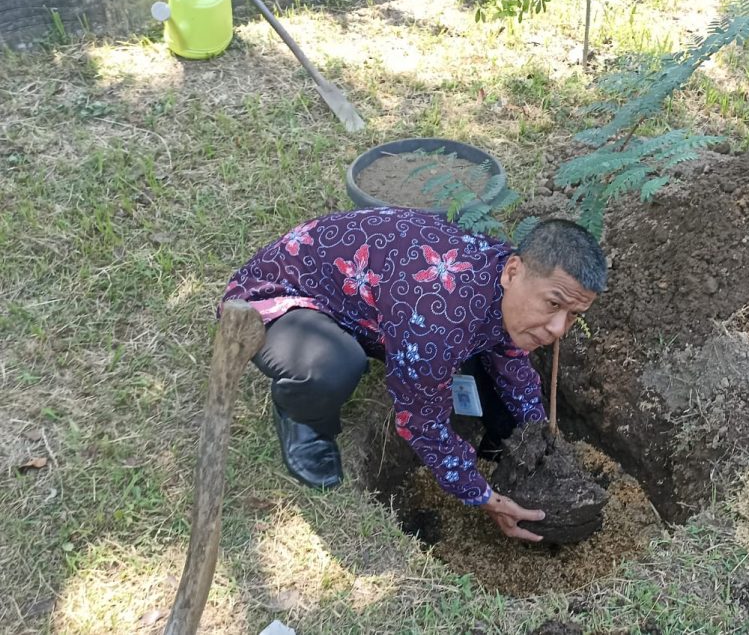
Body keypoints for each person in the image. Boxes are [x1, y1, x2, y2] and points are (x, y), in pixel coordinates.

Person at [220, 207, 606, 541]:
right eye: (553, 304)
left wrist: (537, 435)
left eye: (573, 314)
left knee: (487, 362)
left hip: (363, 295)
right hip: (282, 295)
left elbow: (510, 358)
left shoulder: (500, 280)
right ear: (513, 271)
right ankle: (301, 414)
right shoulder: (437, 322)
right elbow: (419, 421)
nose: (559, 328)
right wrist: (480, 493)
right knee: (334, 364)